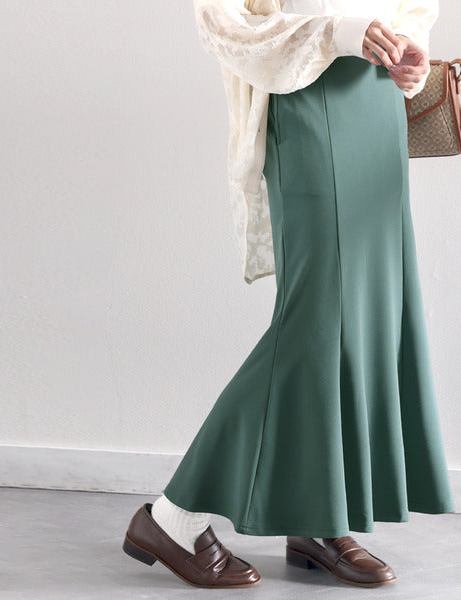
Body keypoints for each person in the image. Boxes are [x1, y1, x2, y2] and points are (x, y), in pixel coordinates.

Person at [123, 0, 455, 589]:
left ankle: (319, 516)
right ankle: (173, 516)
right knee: (314, 326)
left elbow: (411, 8)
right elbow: (224, 22)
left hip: (378, 103)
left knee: (369, 314)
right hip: (306, 100)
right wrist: (341, 31)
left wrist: (408, 49)